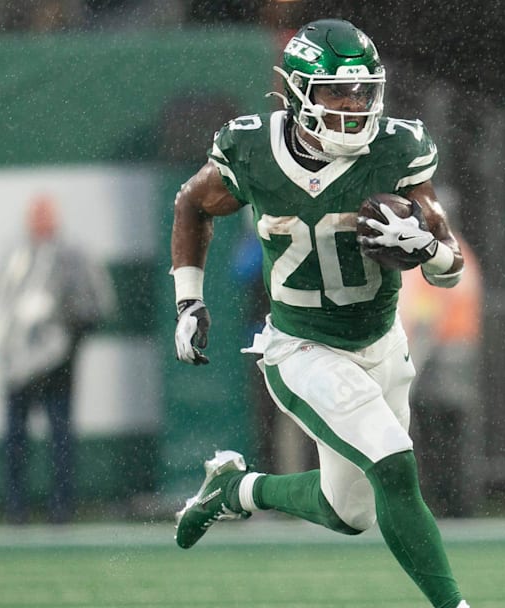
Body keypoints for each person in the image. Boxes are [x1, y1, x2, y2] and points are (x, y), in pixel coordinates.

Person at [169, 19, 471, 608]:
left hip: (381, 343)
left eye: (362, 90)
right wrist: (189, 298)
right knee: (394, 463)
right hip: (302, 346)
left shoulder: (396, 149)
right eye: (337, 91)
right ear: (297, 92)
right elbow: (192, 203)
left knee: (349, 512)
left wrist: (426, 248)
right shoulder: (254, 149)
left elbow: (450, 265)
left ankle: (235, 491)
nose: (353, 105)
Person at [0, 194, 115, 524]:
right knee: (15, 439)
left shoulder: (74, 255)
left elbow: (94, 305)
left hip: (59, 365)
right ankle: (15, 509)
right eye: (36, 215)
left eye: (45, 215)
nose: (40, 222)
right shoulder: (11, 254)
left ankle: (61, 509)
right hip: (16, 366)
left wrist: (62, 324)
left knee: (60, 438)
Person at [399, 236, 482, 518]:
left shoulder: (433, 252)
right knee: (455, 432)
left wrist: (411, 366)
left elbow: (427, 316)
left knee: (435, 432)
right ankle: (460, 504)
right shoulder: (461, 250)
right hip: (461, 351)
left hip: (440, 357)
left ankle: (445, 503)